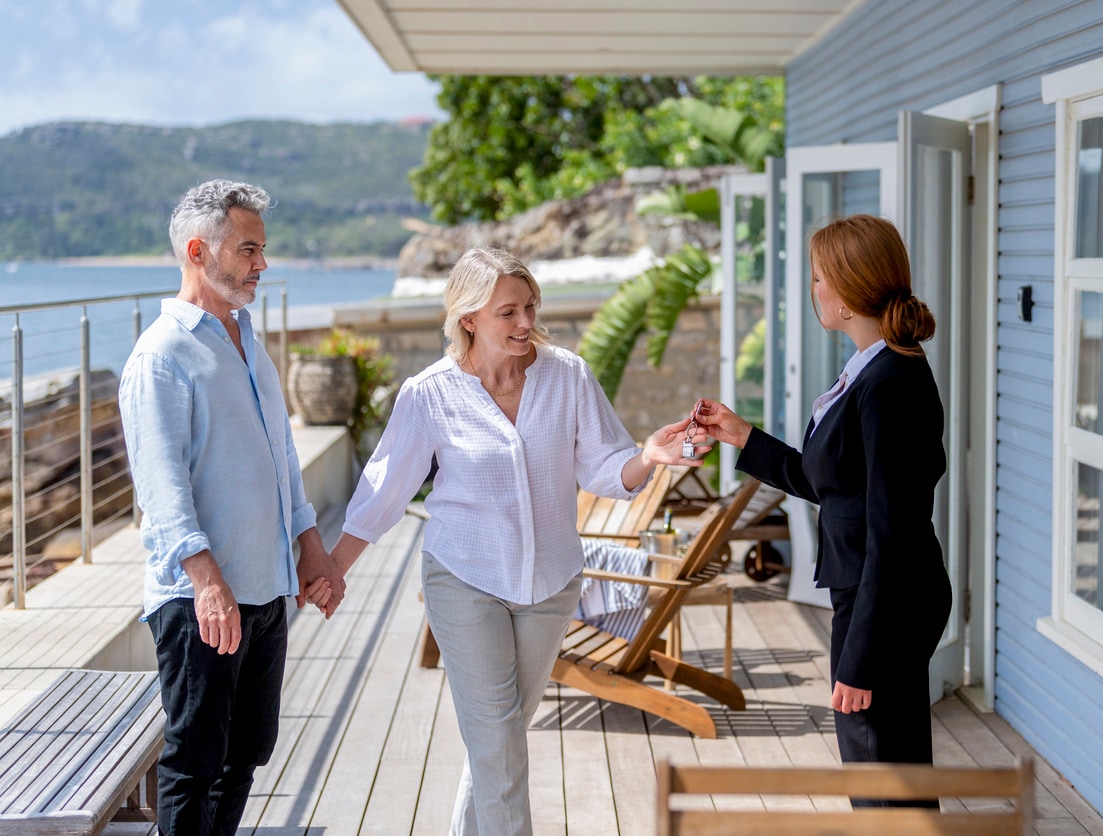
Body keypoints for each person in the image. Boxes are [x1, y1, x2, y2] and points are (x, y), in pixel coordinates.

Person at [325, 246, 706, 835]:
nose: (526, 322)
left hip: (551, 584)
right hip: (464, 578)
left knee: (498, 739)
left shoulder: (568, 375)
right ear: (468, 318)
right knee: (500, 746)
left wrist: (648, 457)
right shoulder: (430, 394)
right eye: (508, 312)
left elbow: (608, 468)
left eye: (530, 307)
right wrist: (334, 568)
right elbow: (384, 491)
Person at [694, 215, 952, 802]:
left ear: (848, 289)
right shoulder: (874, 368)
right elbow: (835, 487)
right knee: (894, 770)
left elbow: (893, 531)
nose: (814, 289)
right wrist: (742, 436)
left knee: (880, 776)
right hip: (878, 595)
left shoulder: (888, 384)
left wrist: (859, 659)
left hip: (883, 601)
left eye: (818, 278)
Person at [119, 179, 344, 834]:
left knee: (244, 756)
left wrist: (312, 549)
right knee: (195, 762)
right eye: (249, 250)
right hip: (202, 603)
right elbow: (162, 494)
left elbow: (282, 466)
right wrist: (208, 585)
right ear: (198, 251)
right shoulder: (159, 358)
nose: (262, 265)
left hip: (267, 593)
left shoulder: (249, 341)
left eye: (262, 249)